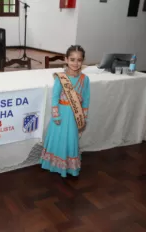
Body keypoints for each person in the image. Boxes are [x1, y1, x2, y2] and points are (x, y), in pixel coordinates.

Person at [40, 45, 90, 178]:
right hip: (61, 114)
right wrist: (56, 115)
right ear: (66, 60)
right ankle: (54, 164)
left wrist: (83, 118)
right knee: (59, 138)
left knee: (70, 139)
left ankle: (69, 166)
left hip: (75, 116)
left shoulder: (85, 79)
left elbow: (86, 99)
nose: (75, 63)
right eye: (72, 59)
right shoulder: (61, 78)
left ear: (83, 61)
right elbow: (55, 97)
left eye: (79, 60)